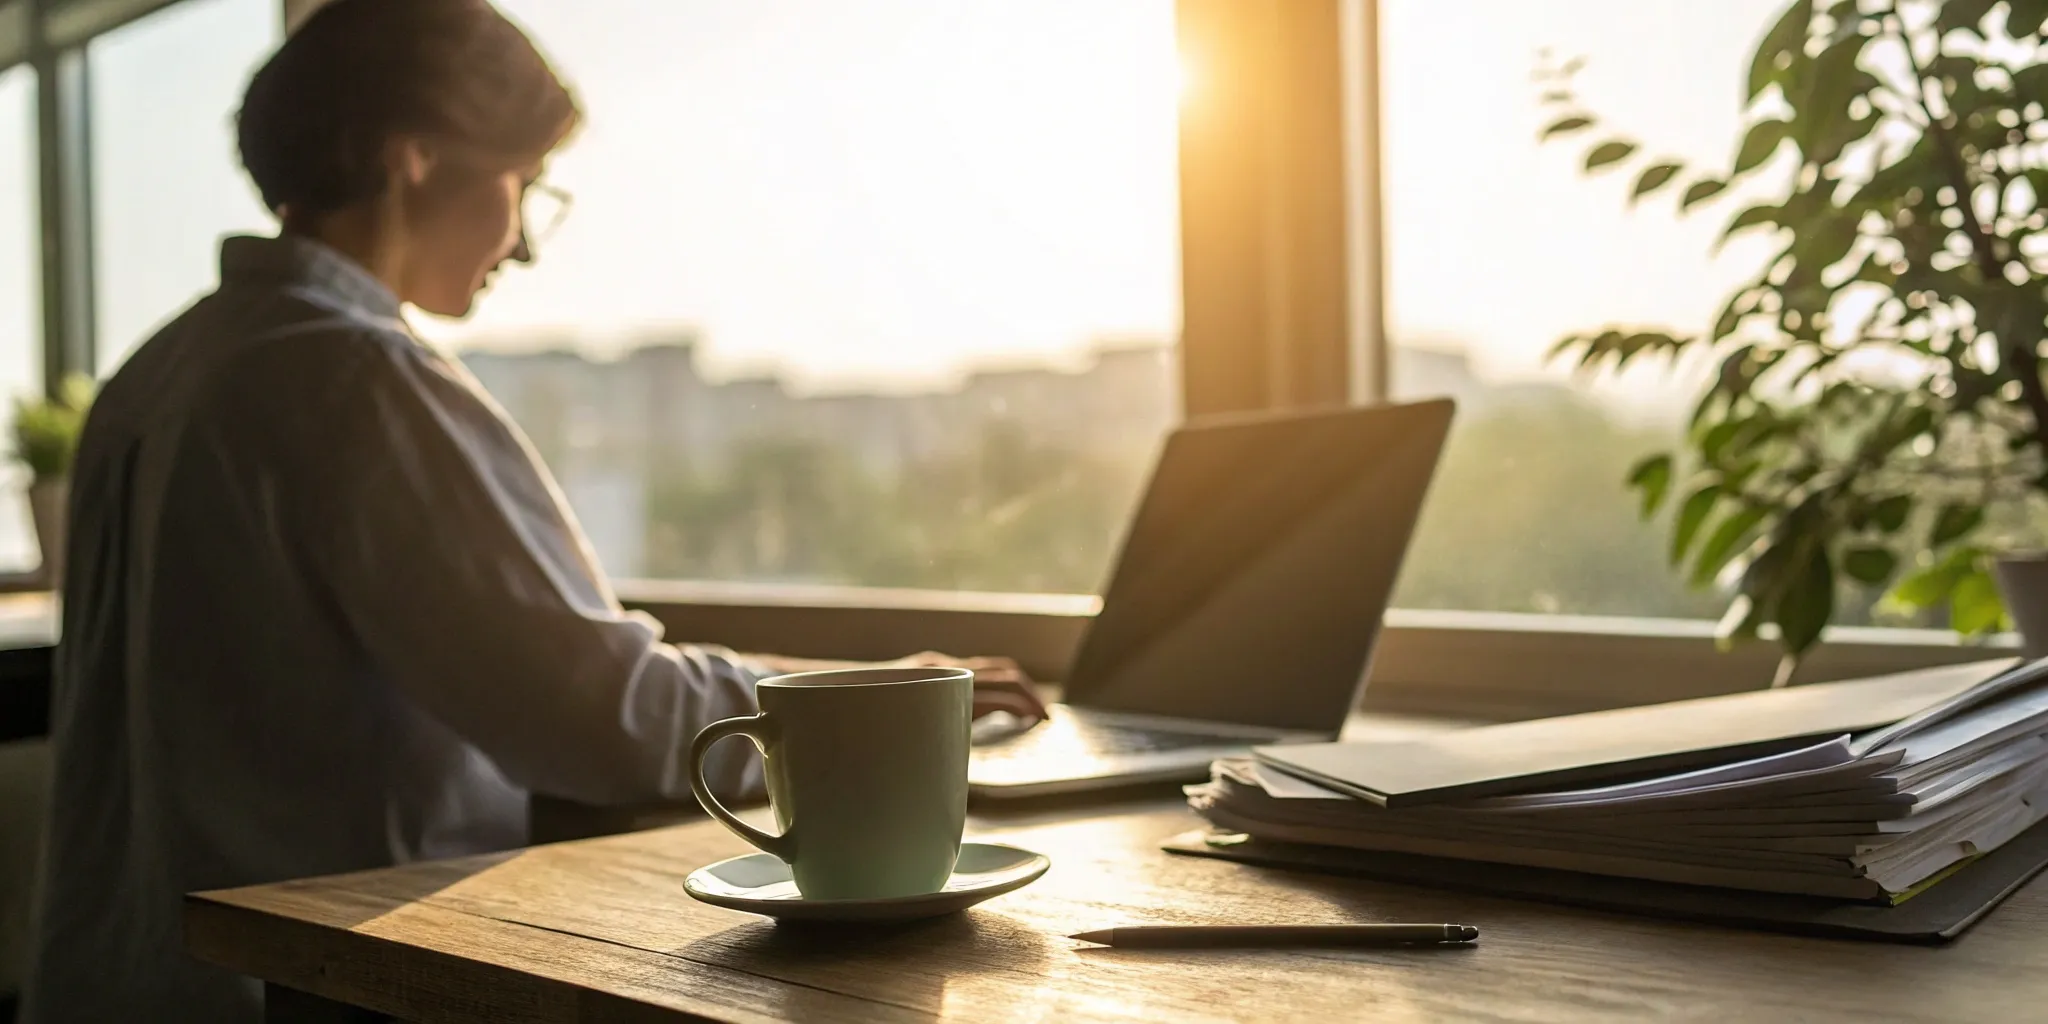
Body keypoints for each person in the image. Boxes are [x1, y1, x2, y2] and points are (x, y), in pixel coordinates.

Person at [19, 1, 1042, 1020]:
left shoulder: (160, 369)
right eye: (523, 183)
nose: (524, 243)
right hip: (301, 988)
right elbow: (597, 716)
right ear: (413, 153)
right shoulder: (352, 376)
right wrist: (861, 704)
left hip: (124, 978)